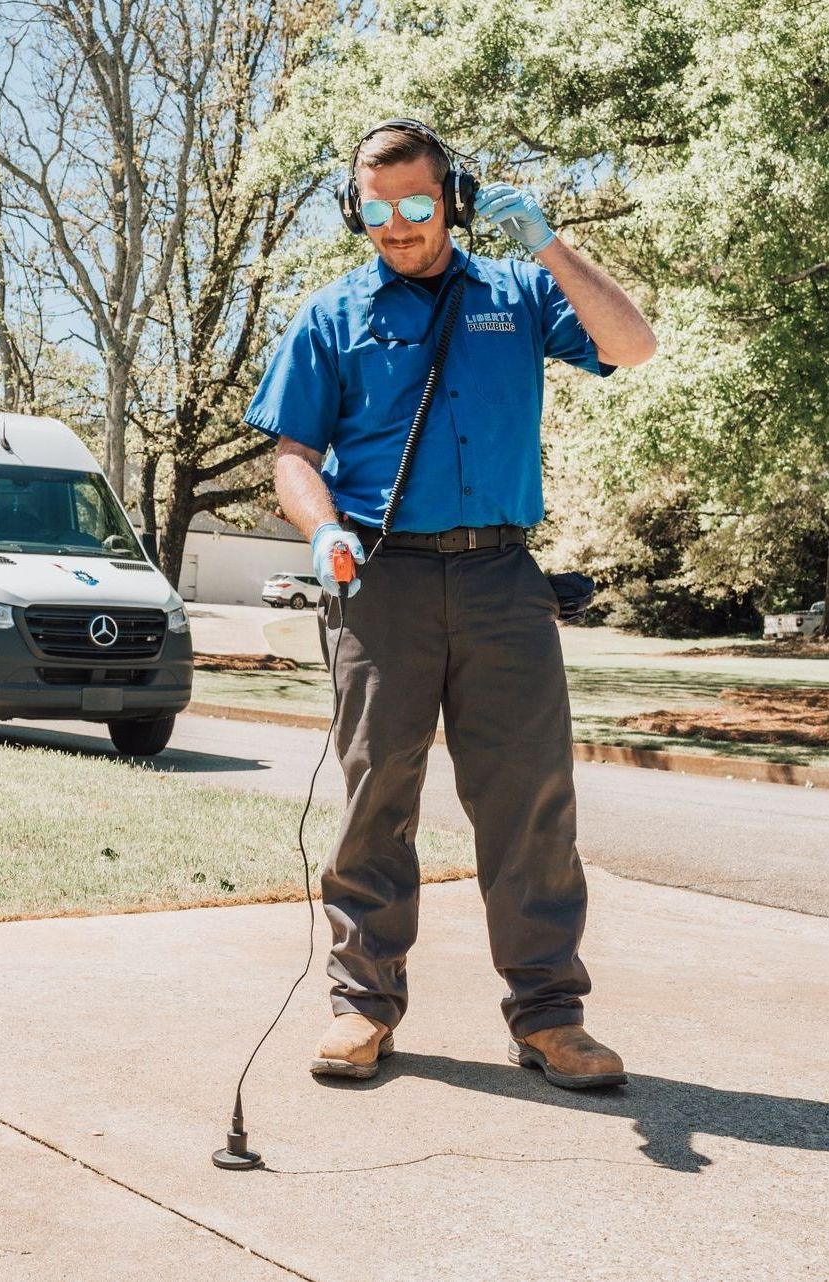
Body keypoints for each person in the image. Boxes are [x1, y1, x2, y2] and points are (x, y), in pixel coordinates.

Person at [243, 119, 656, 1090]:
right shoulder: (330, 314)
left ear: (455, 200)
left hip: (502, 579)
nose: (396, 225)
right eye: (376, 208)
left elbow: (631, 346)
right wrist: (321, 531)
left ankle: (550, 1014)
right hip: (377, 579)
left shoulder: (514, 296)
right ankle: (359, 1005)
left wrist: (549, 243)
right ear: (354, 209)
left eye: (418, 204)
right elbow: (292, 456)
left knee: (527, 802)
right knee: (374, 794)